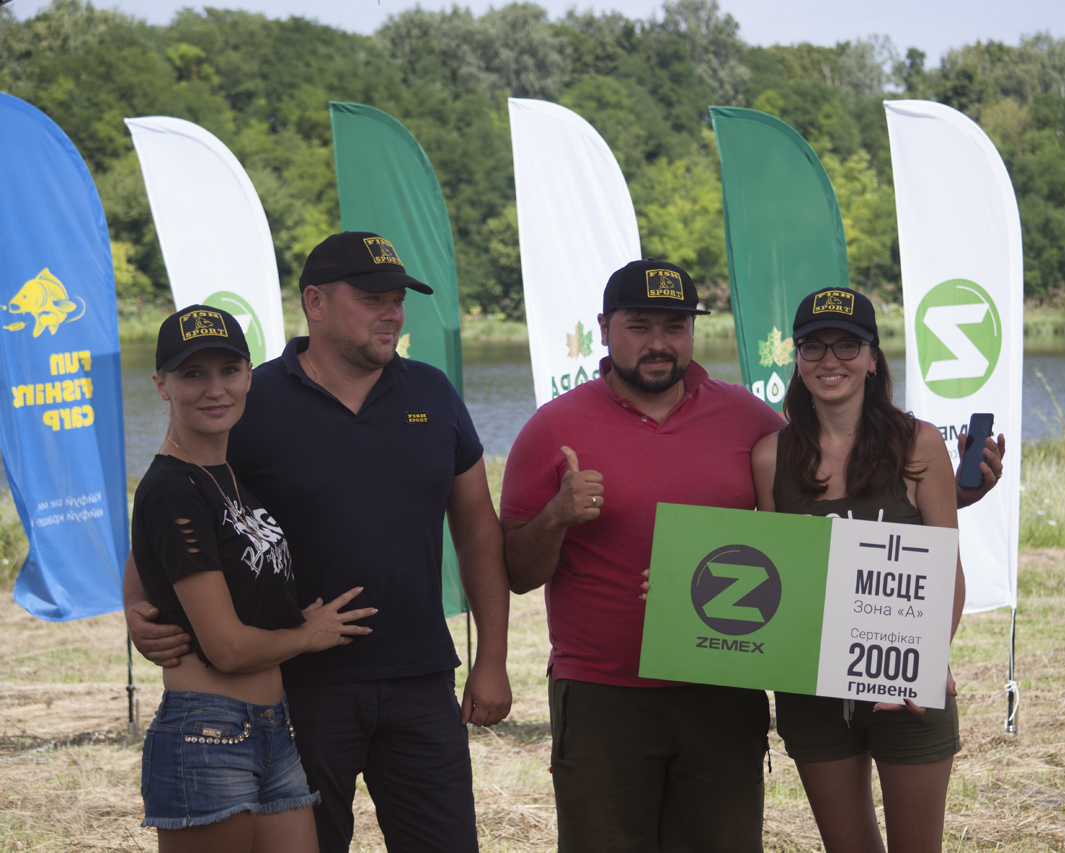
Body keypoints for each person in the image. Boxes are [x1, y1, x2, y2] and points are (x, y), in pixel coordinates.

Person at [499, 260, 1004, 852]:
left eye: (675, 326)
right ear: (605, 328)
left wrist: (953, 497)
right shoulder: (559, 428)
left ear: (873, 357)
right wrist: (563, 518)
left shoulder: (747, 418)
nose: (659, 342)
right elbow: (520, 573)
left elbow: (896, 542)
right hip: (619, 692)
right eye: (639, 326)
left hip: (746, 690)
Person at [126, 232, 512, 853]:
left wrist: (492, 657)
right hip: (299, 687)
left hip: (421, 677)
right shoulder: (249, 399)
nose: (392, 313)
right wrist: (138, 612)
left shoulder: (433, 392)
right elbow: (175, 510)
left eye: (397, 300)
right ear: (316, 303)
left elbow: (477, 529)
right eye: (372, 299)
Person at [135, 305, 376, 851]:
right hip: (207, 732)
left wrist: (135, 607)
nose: (214, 389)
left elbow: (145, 560)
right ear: (162, 385)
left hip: (272, 727)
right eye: (193, 374)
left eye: (228, 370)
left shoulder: (223, 474)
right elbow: (227, 649)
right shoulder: (173, 489)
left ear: (249, 375)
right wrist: (307, 635)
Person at [751, 287, 970, 853]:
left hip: (905, 687)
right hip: (811, 690)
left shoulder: (920, 444)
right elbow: (774, 578)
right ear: (797, 359)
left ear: (873, 358)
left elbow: (947, 571)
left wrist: (923, 661)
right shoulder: (770, 457)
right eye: (813, 347)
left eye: (847, 345)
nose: (831, 361)